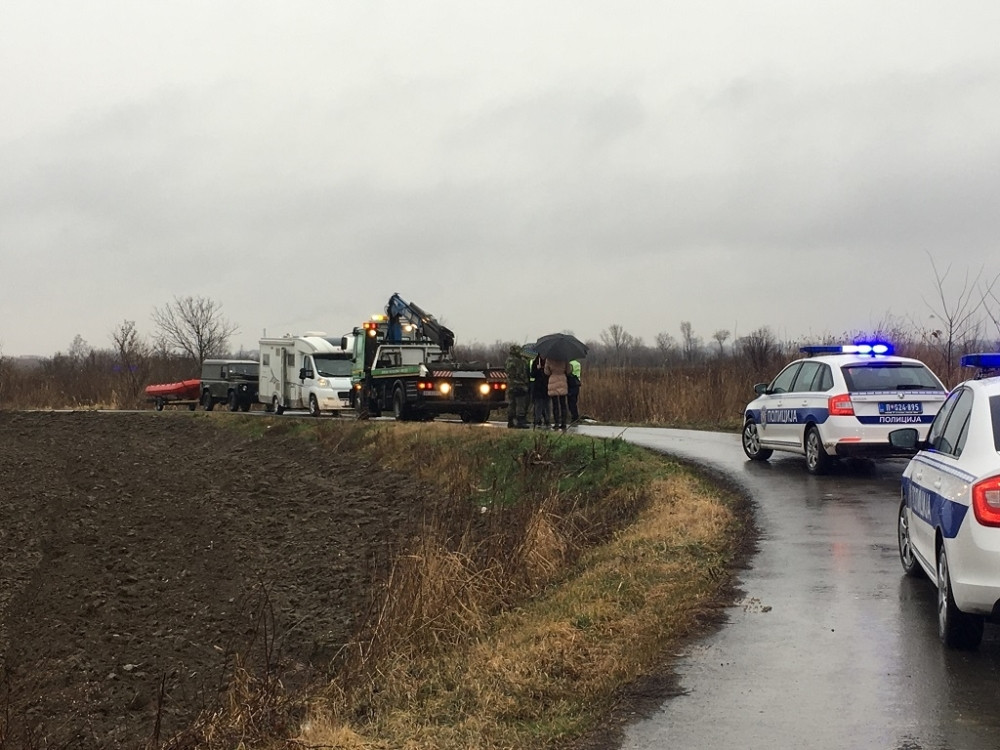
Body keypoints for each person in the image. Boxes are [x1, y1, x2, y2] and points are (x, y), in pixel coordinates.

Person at [505, 344, 530, 428]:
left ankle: (510, 421)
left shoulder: (508, 360)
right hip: (520, 385)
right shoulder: (519, 361)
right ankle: (520, 421)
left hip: (510, 385)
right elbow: (522, 373)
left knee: (511, 403)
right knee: (520, 404)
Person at [544, 357, 572, 430]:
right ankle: (564, 423)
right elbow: (568, 371)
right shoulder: (565, 359)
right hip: (562, 380)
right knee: (563, 404)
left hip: (553, 380)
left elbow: (546, 372)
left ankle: (556, 422)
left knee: (555, 404)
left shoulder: (549, 359)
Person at [530, 355, 551, 428]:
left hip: (546, 386)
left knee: (547, 404)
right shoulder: (535, 362)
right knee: (538, 404)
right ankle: (537, 419)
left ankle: (547, 420)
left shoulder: (548, 362)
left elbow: (549, 373)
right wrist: (537, 369)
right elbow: (532, 374)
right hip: (538, 386)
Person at [567, 359, 582, 423]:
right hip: (577, 383)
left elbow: (569, 372)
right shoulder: (578, 364)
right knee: (574, 401)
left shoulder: (570, 364)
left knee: (571, 402)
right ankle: (575, 416)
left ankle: (575, 417)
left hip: (571, 384)